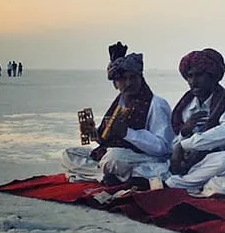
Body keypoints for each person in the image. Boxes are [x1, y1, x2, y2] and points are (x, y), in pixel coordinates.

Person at [61, 42, 174, 184]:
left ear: (141, 78)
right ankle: (105, 176)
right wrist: (94, 134)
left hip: (145, 158)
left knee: (113, 158)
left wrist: (128, 133)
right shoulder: (120, 102)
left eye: (133, 77)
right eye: (123, 79)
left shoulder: (156, 104)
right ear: (115, 84)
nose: (128, 83)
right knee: (69, 154)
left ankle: (104, 175)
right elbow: (107, 139)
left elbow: (163, 148)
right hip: (115, 154)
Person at [165, 48, 225, 196]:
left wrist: (184, 144)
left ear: (213, 77)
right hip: (195, 164)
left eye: (199, 75)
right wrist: (185, 132)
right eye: (190, 76)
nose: (193, 81)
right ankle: (188, 183)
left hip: (221, 161)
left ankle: (178, 184)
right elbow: (175, 144)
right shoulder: (186, 106)